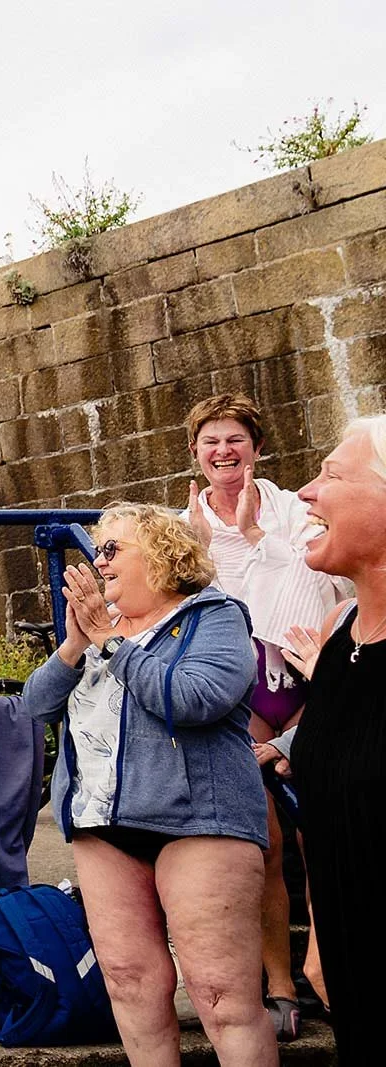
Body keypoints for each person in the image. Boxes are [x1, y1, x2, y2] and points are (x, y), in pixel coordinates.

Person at [22, 503, 274, 1065]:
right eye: (97, 550)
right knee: (129, 984)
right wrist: (74, 644)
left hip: (199, 821)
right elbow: (34, 706)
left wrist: (111, 642)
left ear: (161, 558)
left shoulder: (216, 616)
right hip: (102, 824)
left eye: (112, 549)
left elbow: (196, 699)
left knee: (220, 996)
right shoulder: (96, 629)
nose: (98, 561)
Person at [182, 393, 349, 1039]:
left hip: (303, 675)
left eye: (234, 439)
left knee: (323, 835)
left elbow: (315, 578)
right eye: (210, 442)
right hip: (239, 692)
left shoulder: (289, 507)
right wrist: (203, 554)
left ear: (256, 446)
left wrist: (254, 535)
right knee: (266, 844)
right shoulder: (188, 520)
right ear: (194, 453)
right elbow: (190, 607)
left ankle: (330, 965)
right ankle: (278, 981)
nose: (223, 451)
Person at [287, 415, 386, 1064]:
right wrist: (320, 935)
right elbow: (326, 812)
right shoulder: (337, 632)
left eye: (332, 474)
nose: (305, 491)